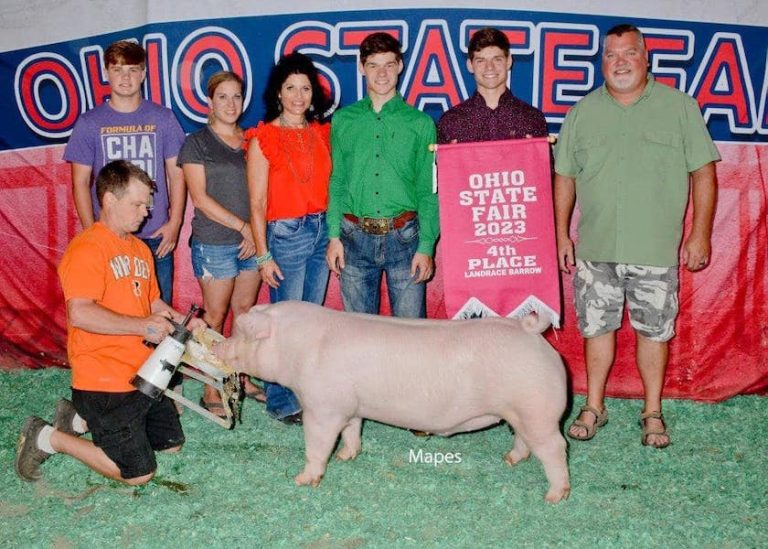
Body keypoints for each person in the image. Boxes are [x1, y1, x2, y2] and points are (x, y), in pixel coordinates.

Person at [554, 24, 719, 448]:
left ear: (647, 59)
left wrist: (699, 234)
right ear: (602, 62)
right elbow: (565, 178)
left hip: (655, 250)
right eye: (611, 55)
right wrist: (561, 236)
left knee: (654, 333)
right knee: (595, 329)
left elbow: (703, 172)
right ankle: (594, 405)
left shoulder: (679, 107)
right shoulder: (582, 112)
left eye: (629, 53)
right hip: (596, 248)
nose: (620, 62)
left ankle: (652, 410)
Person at [15, 160, 206, 485]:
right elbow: (81, 313)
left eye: (147, 204)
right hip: (102, 380)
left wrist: (181, 321)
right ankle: (47, 436)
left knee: (170, 445)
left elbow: (151, 301)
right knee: (139, 474)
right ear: (109, 200)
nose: (145, 212)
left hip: (143, 374)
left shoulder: (140, 250)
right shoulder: (87, 249)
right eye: (138, 203)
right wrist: (141, 327)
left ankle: (79, 420)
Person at [244, 53, 333, 425]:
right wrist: (263, 255)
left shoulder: (321, 132)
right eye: (291, 88)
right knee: (285, 323)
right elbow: (257, 201)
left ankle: (306, 394)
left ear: (313, 94)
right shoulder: (263, 138)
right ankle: (280, 399)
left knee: (310, 323)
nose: (298, 96)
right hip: (286, 234)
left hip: (322, 230)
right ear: (278, 94)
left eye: (305, 88)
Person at [326, 32, 439, 318]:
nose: (382, 73)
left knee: (411, 336)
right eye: (374, 65)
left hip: (405, 237)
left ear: (400, 66)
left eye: (389, 64)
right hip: (353, 237)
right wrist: (333, 236)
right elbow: (337, 180)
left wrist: (426, 246)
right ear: (361, 67)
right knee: (358, 336)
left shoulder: (421, 123)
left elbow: (428, 190)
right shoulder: (343, 120)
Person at [64, 40, 186, 303]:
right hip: (110, 236)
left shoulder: (163, 118)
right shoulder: (89, 123)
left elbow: (177, 174)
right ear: (106, 73)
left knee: (159, 314)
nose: (125, 77)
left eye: (132, 69)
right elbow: (80, 182)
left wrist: (174, 223)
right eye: (117, 69)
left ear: (143, 73)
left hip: (155, 236)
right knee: (113, 310)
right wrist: (92, 233)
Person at [178, 71, 264, 416]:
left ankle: (239, 377)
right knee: (215, 317)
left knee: (244, 316)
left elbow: (265, 193)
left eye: (237, 97)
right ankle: (213, 387)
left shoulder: (254, 140)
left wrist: (255, 234)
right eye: (223, 97)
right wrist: (244, 228)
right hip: (215, 243)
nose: (231, 104)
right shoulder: (196, 143)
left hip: (251, 244)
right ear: (210, 102)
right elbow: (198, 198)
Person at [437, 27, 548, 143]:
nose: (489, 67)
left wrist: (535, 154)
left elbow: (545, 161)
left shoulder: (532, 119)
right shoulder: (451, 122)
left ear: (509, 61)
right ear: (470, 65)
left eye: (497, 59)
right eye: (481, 60)